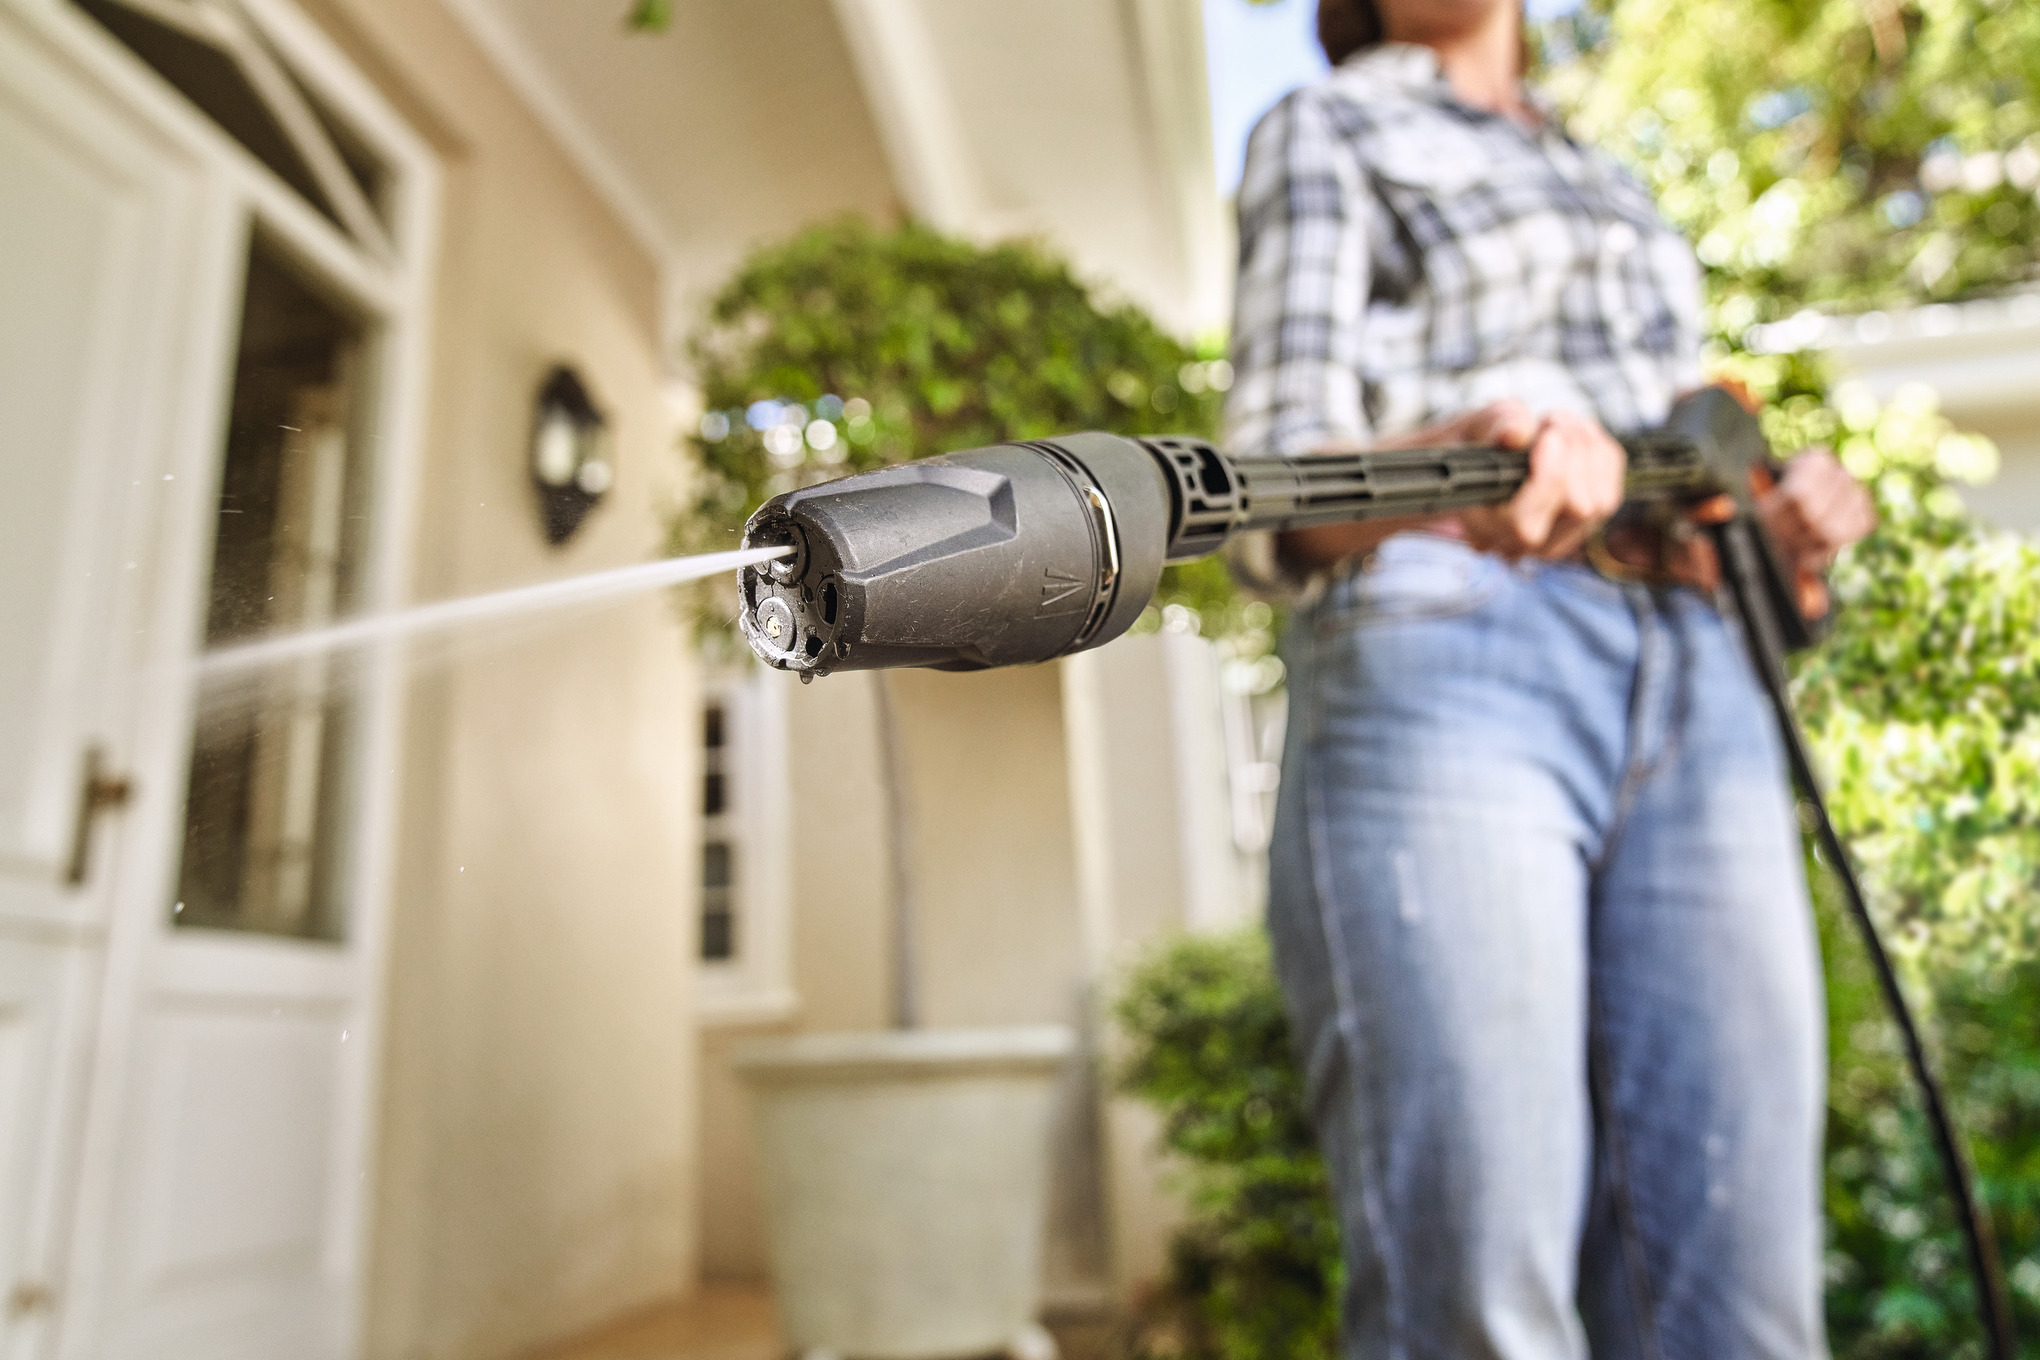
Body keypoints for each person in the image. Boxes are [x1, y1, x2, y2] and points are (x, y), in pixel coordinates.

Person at [1224, 1, 1878, 1356]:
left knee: (1746, 1302)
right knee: (1477, 1300)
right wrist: (1453, 457)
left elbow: (1687, 444)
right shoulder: (1332, 123)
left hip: (1702, 671)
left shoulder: (1604, 169)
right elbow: (1270, 490)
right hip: (1450, 640)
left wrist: (1774, 532)